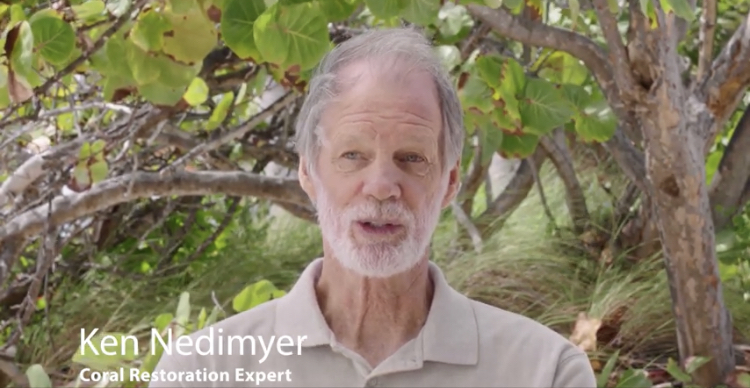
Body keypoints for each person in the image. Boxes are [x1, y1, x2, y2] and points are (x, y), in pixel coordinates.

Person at [149, 27, 597, 388]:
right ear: (308, 173)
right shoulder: (200, 371)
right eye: (352, 156)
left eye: (412, 159)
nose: (383, 187)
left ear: (450, 182)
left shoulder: (546, 372)